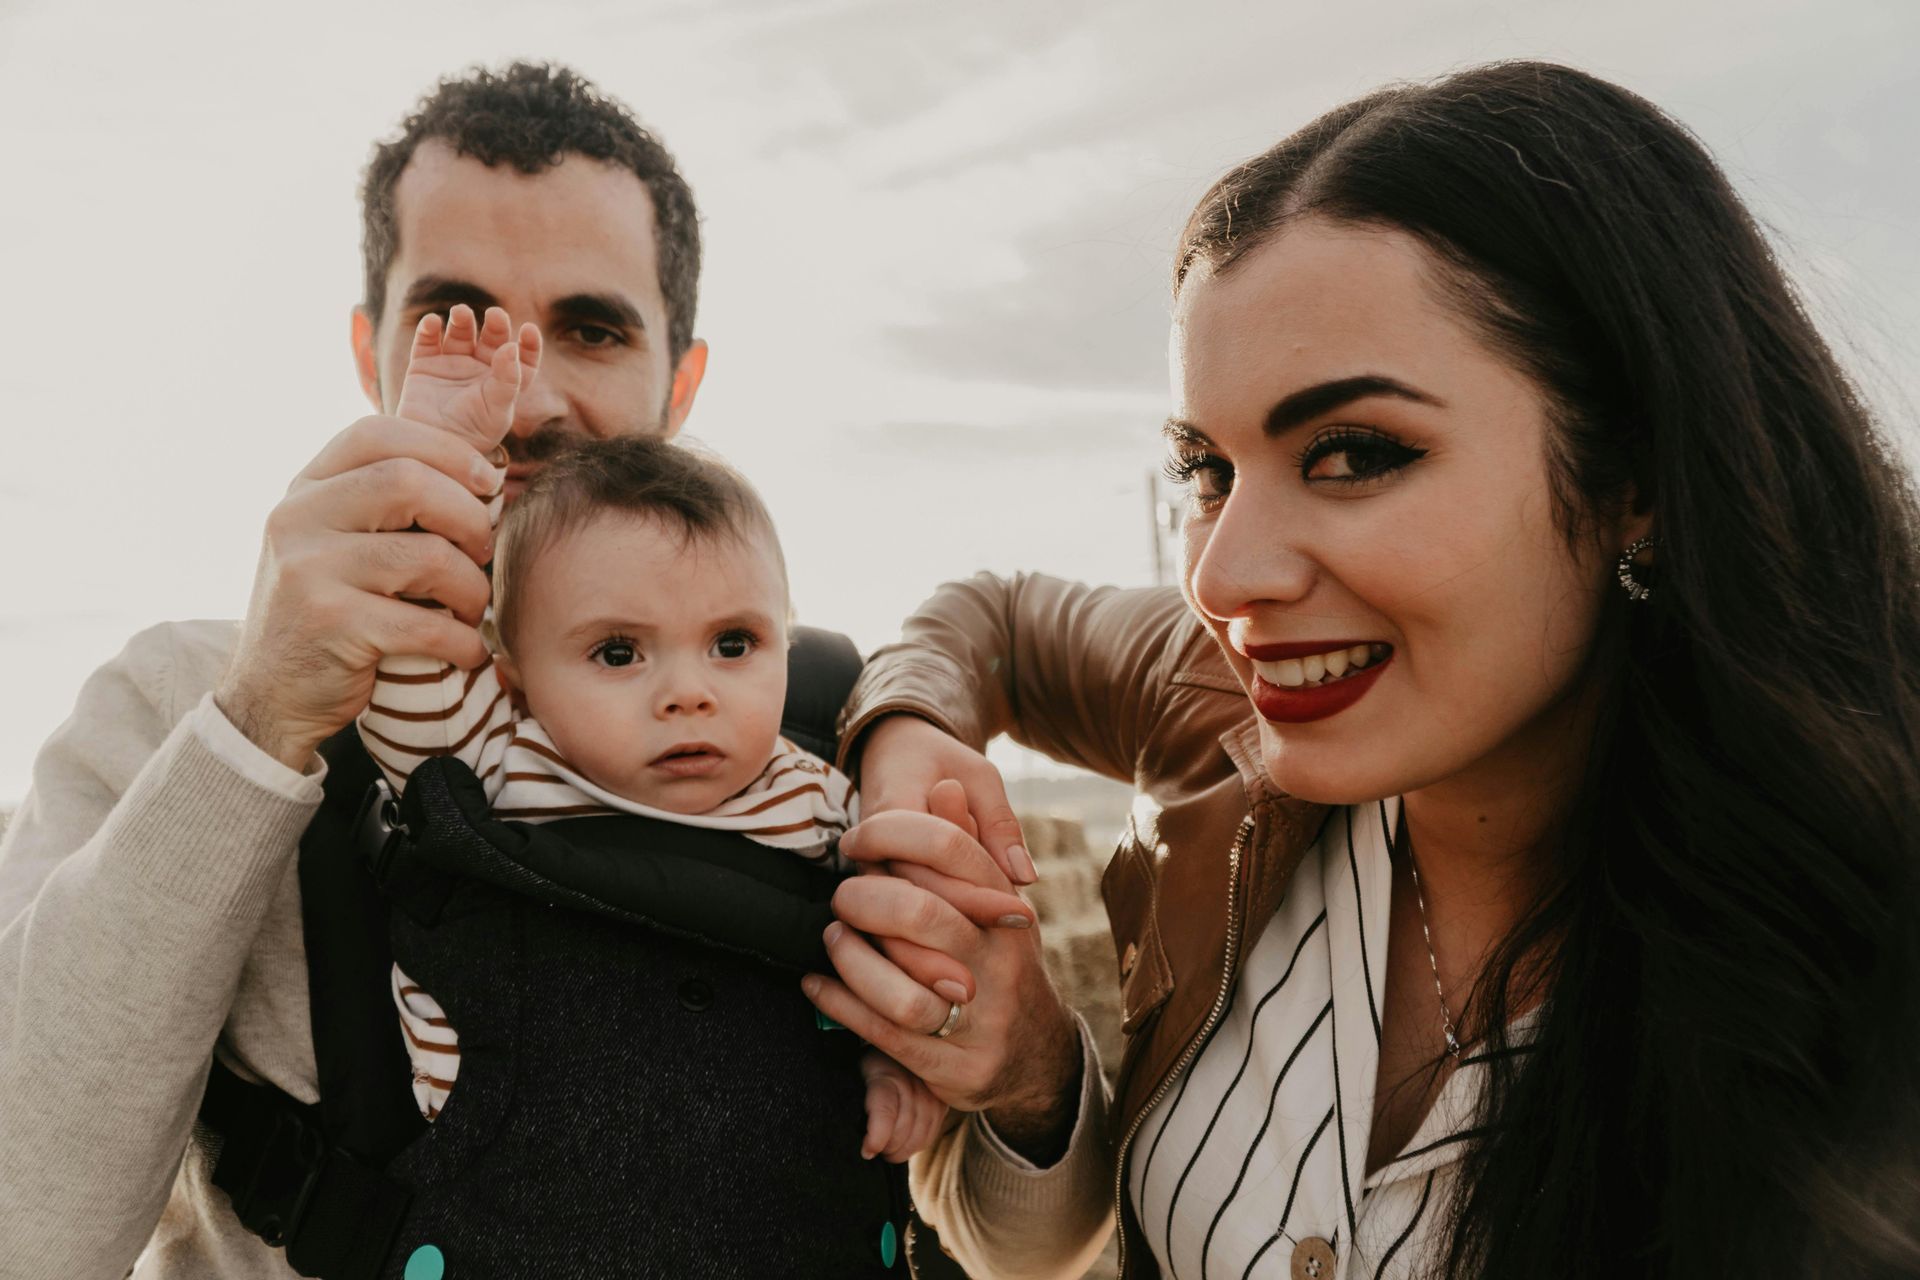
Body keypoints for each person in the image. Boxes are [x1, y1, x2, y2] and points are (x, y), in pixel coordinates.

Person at [803, 61, 1920, 1279]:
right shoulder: (1228, 711)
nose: (1225, 577)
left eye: (1351, 453)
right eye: (1208, 471)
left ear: (1636, 480)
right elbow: (997, 619)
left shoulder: (1859, 986)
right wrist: (911, 744)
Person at [0, 62, 978, 1277]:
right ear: (370, 354)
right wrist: (260, 719)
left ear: (682, 380)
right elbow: (26, 1228)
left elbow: (1032, 1225)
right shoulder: (176, 701)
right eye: (453, 325)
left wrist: (1003, 1061)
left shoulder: (809, 709)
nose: (522, 393)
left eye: (592, 327)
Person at [362, 300, 945, 1160]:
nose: (687, 693)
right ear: (514, 675)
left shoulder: (824, 804)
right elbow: (406, 654)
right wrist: (442, 464)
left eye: (733, 644)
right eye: (619, 652)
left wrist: (898, 1068)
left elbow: (894, 962)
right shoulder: (499, 755)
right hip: (517, 1182)